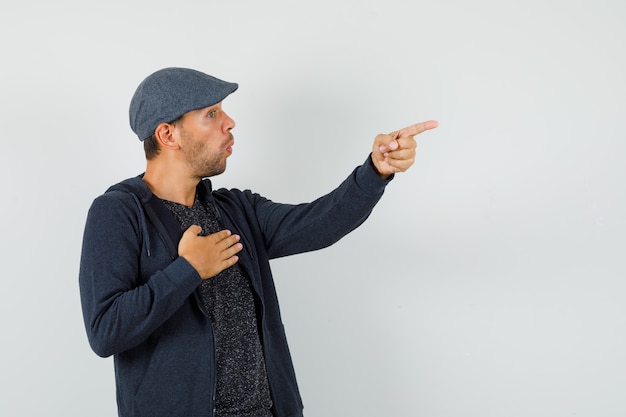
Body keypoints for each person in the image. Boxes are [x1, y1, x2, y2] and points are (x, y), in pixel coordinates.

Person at [79, 67, 438, 417]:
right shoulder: (119, 212)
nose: (229, 122)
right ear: (168, 135)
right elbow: (106, 331)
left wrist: (375, 171)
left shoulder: (235, 210)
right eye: (211, 114)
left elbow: (320, 223)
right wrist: (187, 269)